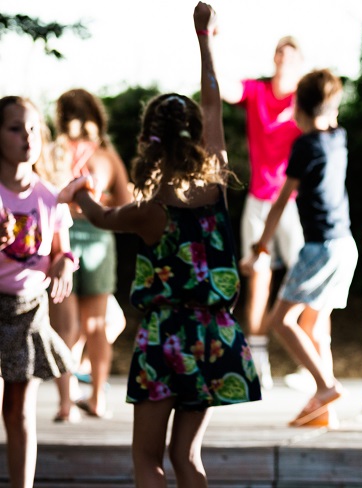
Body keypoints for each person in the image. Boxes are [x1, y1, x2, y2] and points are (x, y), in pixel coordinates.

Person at [58, 4, 262, 485]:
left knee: (147, 459)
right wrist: (204, 38)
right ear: (194, 137)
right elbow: (212, 103)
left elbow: (104, 217)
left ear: (149, 143)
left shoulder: (149, 211)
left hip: (166, 341)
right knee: (187, 457)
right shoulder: (215, 187)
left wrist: (79, 191)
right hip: (216, 336)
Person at [240, 68, 355, 428]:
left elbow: (279, 202)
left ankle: (325, 385)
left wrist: (260, 246)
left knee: (282, 321)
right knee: (318, 328)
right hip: (345, 246)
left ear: (298, 111)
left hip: (320, 247)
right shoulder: (339, 137)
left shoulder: (304, 145)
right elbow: (327, 115)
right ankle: (324, 410)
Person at [219, 30, 307, 389]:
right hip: (259, 199)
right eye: (279, 55)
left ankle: (308, 361)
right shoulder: (257, 91)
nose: (283, 61)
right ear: (274, 59)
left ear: (301, 64)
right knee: (258, 279)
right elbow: (224, 89)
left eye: (291, 57)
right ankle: (258, 364)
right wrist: (211, 43)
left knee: (306, 283)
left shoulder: (306, 99)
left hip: (294, 203)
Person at [0, 95, 76, 488]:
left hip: (29, 308)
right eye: (15, 128)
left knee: (19, 411)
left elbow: (62, 249)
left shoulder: (49, 195)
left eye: (33, 128)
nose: (26, 137)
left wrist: (64, 261)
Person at [49, 88, 133, 422]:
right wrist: (98, 204)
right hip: (99, 238)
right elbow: (126, 202)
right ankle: (98, 398)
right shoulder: (106, 155)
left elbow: (46, 197)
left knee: (65, 330)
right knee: (97, 327)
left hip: (61, 241)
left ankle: (66, 404)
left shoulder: (54, 153)